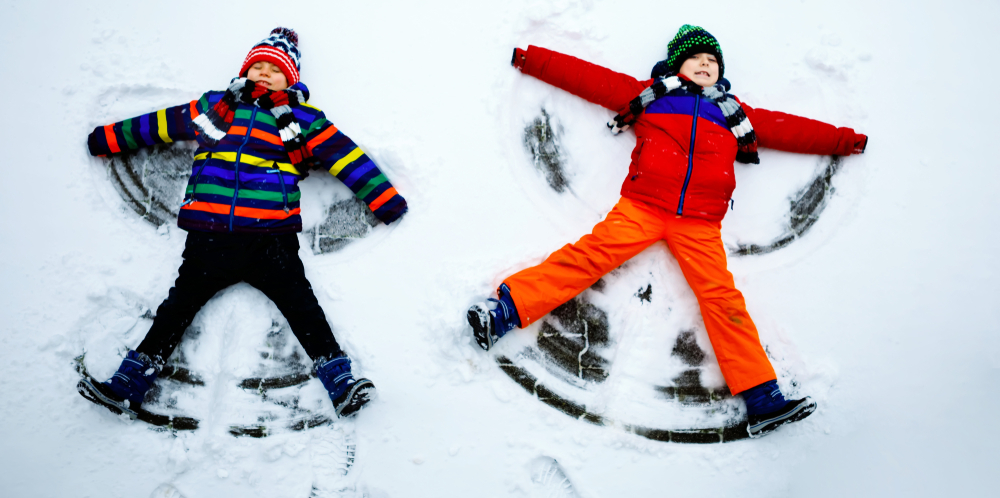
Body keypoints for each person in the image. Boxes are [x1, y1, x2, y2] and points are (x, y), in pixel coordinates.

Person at [467, 25, 867, 437]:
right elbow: (588, 77)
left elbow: (792, 130)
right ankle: (502, 314)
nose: (706, 65)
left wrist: (845, 141)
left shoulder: (734, 113)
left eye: (713, 61)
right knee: (587, 258)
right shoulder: (652, 97)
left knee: (721, 298)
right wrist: (533, 59)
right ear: (677, 64)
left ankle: (763, 399)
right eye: (697, 59)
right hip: (642, 208)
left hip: (699, 224)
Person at [78, 27, 407, 419]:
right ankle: (129, 384)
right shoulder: (217, 109)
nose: (265, 73)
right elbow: (161, 124)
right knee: (175, 310)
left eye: (275, 69)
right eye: (258, 65)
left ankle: (341, 383)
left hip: (271, 239)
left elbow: (346, 157)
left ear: (292, 80)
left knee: (303, 307)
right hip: (209, 235)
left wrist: (385, 200)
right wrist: (107, 139)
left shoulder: (302, 120)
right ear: (246, 70)